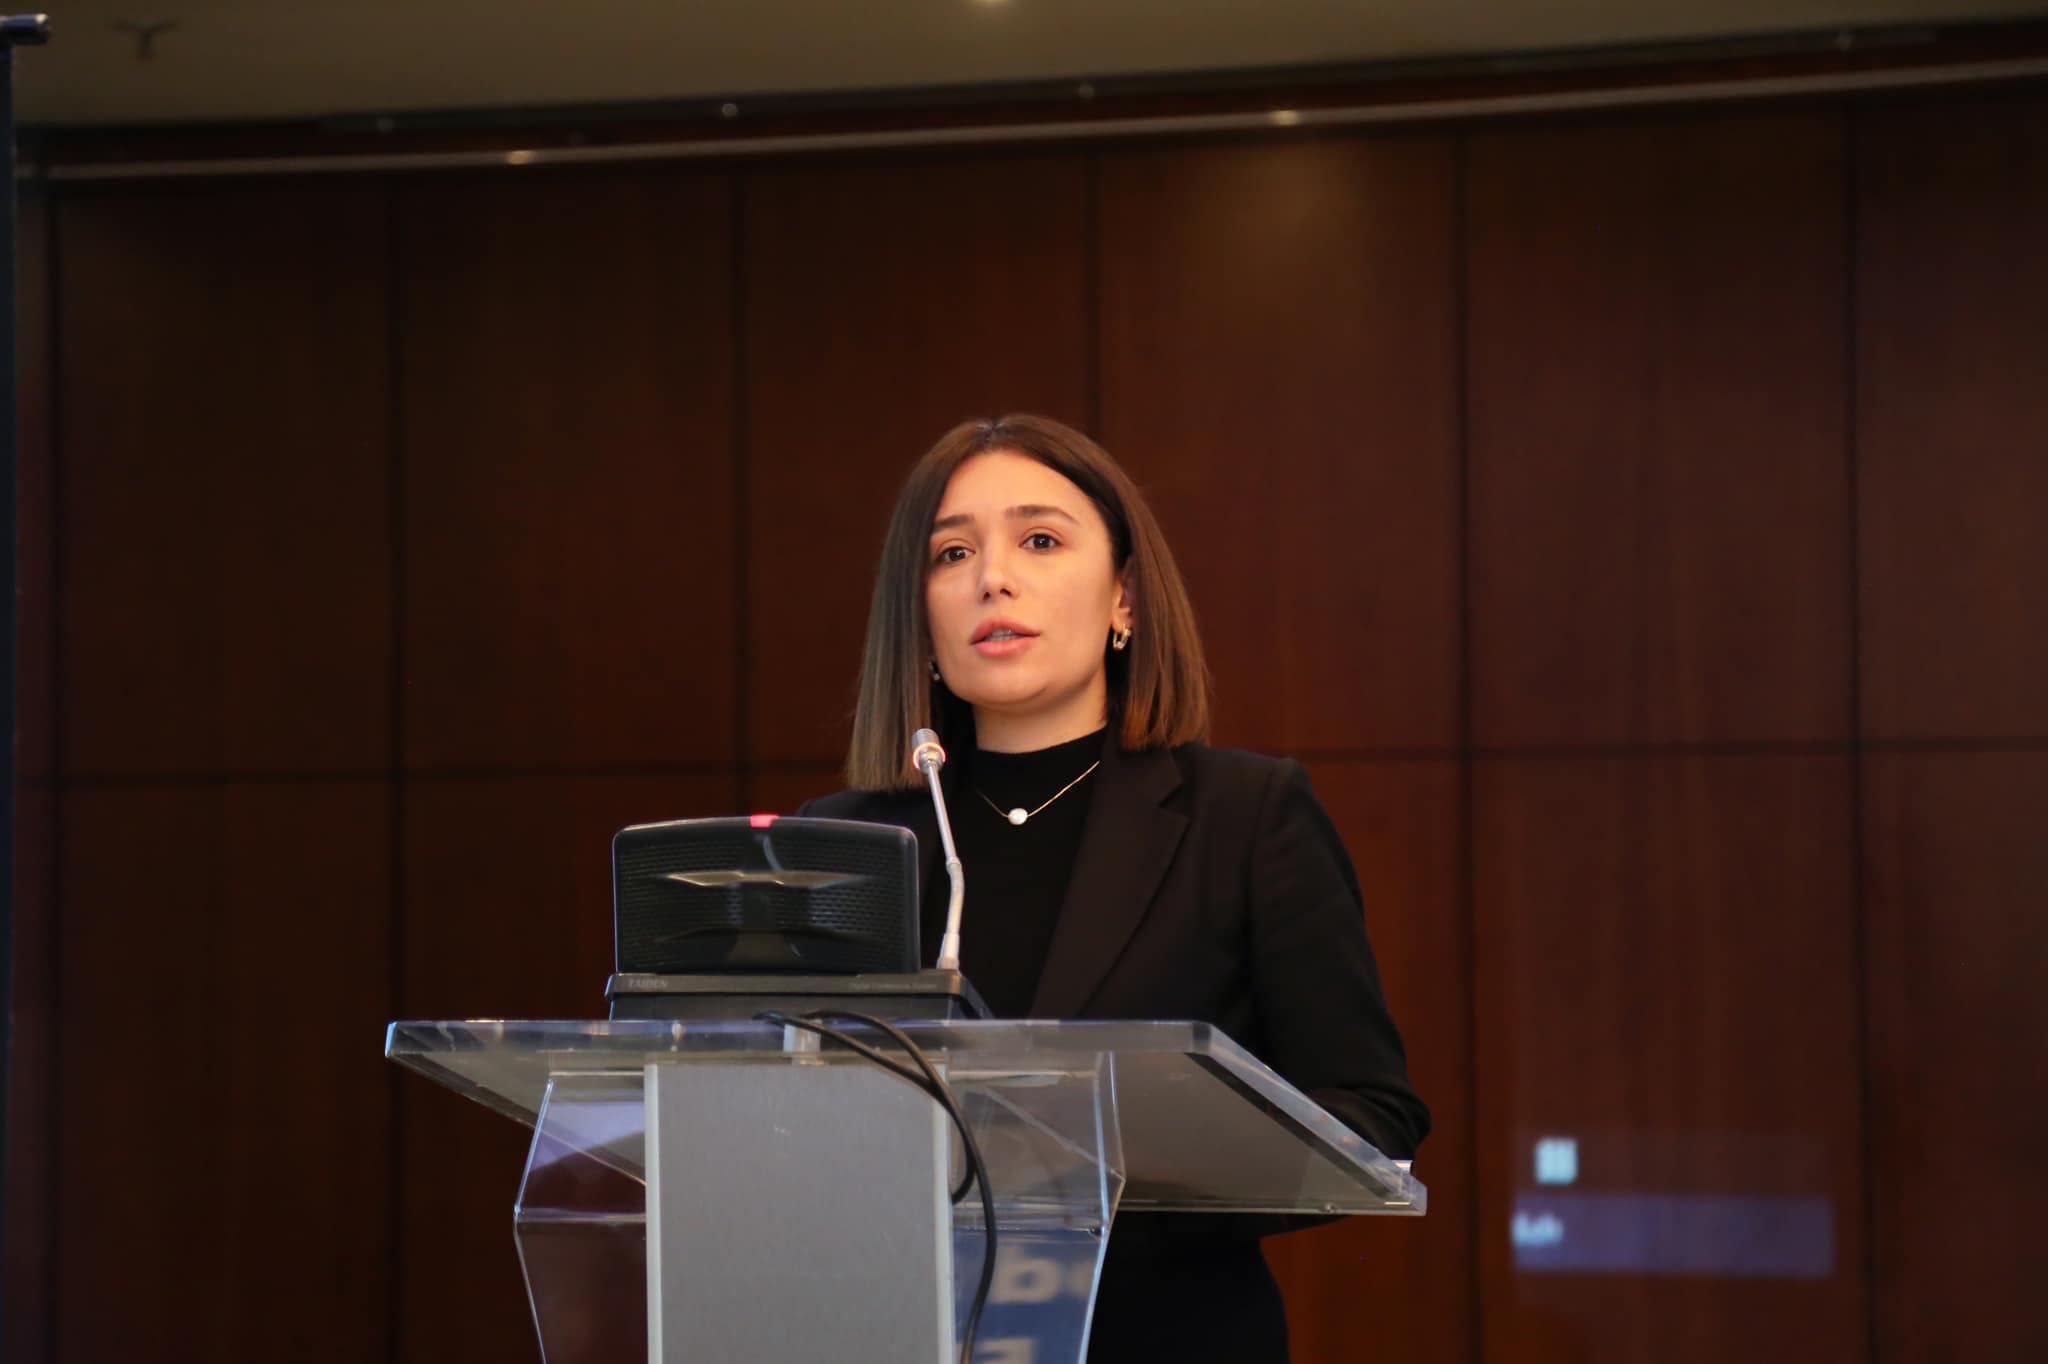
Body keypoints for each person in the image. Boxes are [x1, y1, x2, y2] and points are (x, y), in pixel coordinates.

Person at [799, 413, 1428, 1363]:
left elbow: (1370, 1111)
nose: (992, 578)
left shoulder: (1243, 818)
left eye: (1039, 541)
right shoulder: (848, 842)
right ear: (920, 620)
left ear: (1124, 597)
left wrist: (1106, 1190)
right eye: (952, 554)